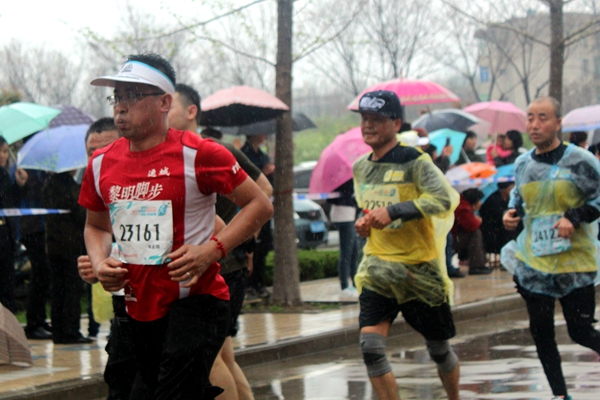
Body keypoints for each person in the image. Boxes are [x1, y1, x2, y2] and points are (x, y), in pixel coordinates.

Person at [80, 54, 273, 399]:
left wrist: (211, 250)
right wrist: (99, 262)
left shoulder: (200, 154)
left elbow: (260, 204)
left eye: (133, 96)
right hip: (135, 304)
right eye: (117, 97)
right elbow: (96, 226)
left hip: (195, 302)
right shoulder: (100, 162)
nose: (121, 107)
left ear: (164, 103)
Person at [351, 90, 461, 400]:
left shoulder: (415, 162)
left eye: (377, 119)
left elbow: (443, 199)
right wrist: (364, 223)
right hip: (378, 269)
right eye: (364, 119)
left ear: (396, 123)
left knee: (439, 349)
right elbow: (370, 208)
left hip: (418, 271)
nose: (368, 125)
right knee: (371, 348)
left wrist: (395, 211)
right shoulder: (360, 167)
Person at [169, 82, 272, 400]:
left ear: (191, 111)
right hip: (203, 266)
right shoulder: (173, 155)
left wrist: (238, 240)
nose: (162, 112)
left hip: (219, 266)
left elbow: (264, 192)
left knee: (209, 359)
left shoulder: (212, 150)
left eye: (169, 105)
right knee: (222, 356)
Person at [502, 97, 600, 400]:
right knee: (541, 332)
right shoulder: (523, 163)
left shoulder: (580, 161)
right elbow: (518, 200)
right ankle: (560, 395)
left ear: (558, 123)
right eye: (530, 118)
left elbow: (598, 199)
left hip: (575, 263)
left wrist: (575, 216)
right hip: (535, 262)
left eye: (542, 118)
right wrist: (510, 214)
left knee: (580, 331)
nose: (534, 125)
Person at [43, 164, 91, 344]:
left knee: (58, 289)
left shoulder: (48, 186)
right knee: (72, 288)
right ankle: (71, 330)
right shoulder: (71, 187)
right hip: (70, 245)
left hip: (53, 245)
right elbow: (81, 213)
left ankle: (58, 330)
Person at [18, 168, 52, 340]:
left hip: (40, 227)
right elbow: (33, 195)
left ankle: (40, 318)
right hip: (31, 228)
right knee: (39, 273)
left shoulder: (40, 172)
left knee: (44, 275)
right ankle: (33, 323)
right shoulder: (25, 171)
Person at [241, 134, 274, 299]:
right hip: (250, 205)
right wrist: (262, 173)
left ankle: (259, 283)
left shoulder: (262, 155)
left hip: (265, 208)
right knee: (251, 246)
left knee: (263, 247)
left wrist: (270, 172)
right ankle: (248, 284)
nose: (263, 136)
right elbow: (247, 178)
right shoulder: (244, 154)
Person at [0, 137, 28, 314]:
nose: (4, 156)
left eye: (5, 151)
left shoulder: (4, 175)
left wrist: (19, 186)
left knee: (7, 286)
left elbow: (10, 205)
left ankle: (7, 325)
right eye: (2, 151)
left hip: (6, 237)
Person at [327, 179, 359, 298]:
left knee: (354, 252)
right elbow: (335, 197)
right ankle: (344, 286)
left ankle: (355, 284)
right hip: (343, 216)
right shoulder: (342, 180)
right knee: (346, 252)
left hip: (349, 215)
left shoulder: (349, 178)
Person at [451, 188, 492, 275]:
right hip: (453, 238)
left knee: (475, 233)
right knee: (475, 234)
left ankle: (478, 263)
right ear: (474, 201)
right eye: (479, 200)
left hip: (453, 236)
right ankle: (477, 265)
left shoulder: (461, 204)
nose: (481, 203)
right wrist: (478, 221)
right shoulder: (463, 208)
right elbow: (471, 226)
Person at [479, 182, 519, 256]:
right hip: (493, 231)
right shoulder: (494, 200)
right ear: (507, 190)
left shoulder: (509, 199)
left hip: (501, 228)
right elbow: (499, 215)